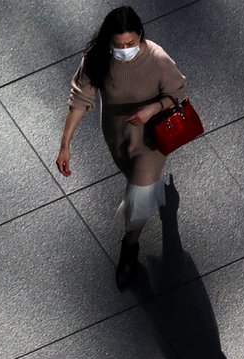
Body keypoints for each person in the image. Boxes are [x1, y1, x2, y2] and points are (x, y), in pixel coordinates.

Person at [56, 6, 188, 289]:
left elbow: (177, 92)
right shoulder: (97, 58)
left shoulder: (156, 58)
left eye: (130, 44)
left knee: (139, 196)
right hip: (118, 134)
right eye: (118, 45)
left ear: (141, 35)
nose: (124, 50)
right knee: (136, 181)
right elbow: (80, 99)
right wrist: (65, 145)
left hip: (150, 140)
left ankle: (130, 247)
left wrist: (152, 108)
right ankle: (159, 199)